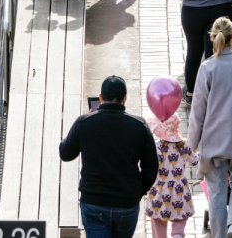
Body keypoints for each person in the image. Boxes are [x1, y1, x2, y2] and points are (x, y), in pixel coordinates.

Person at [188, 17, 232, 238]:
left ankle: (219, 235)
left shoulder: (207, 67)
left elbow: (197, 110)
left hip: (214, 139)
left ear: (212, 38)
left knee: (217, 190)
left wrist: (192, 143)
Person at [59, 75, 158, 238]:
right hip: (127, 203)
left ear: (100, 98)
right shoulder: (139, 126)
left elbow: (66, 153)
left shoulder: (84, 123)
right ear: (124, 99)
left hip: (94, 202)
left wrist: (86, 121)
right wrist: (138, 191)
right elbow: (151, 168)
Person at [144, 114, 199, 238]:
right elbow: (195, 161)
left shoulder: (156, 147)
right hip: (179, 189)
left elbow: (148, 166)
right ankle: (178, 235)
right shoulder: (185, 145)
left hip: (160, 189)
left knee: (158, 220)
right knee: (179, 221)